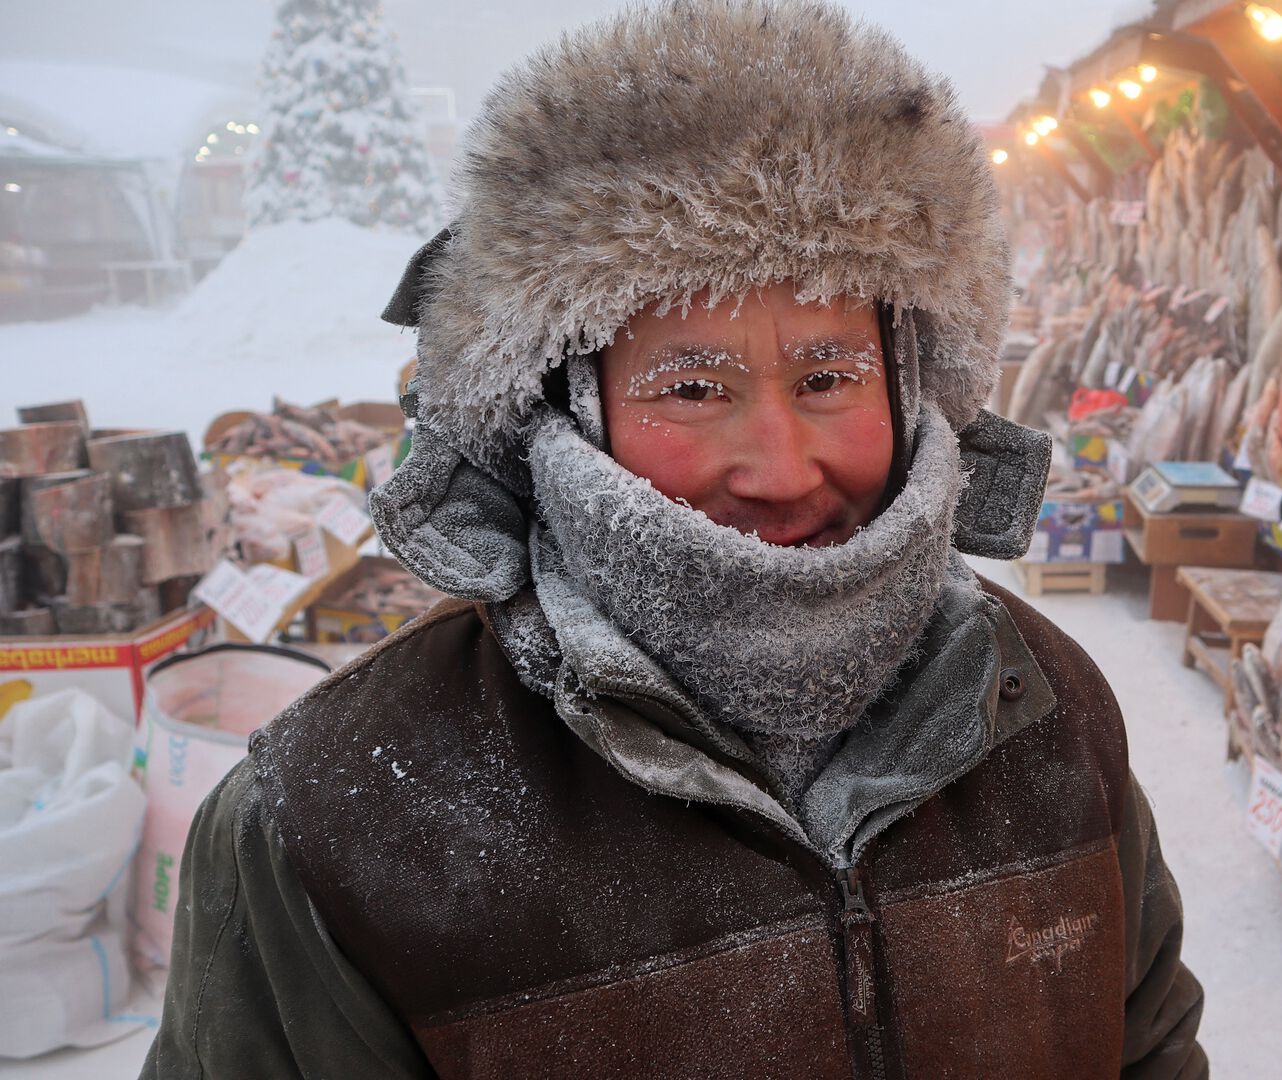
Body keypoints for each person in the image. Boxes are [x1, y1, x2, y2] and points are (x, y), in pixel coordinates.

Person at [142, 2, 1206, 1077]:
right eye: (692, 388)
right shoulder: (337, 823)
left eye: (829, 377)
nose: (782, 468)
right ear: (556, 409)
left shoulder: (1042, 713)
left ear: (916, 380)